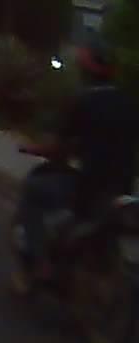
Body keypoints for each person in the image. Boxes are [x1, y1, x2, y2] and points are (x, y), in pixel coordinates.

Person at [15, 34, 139, 285]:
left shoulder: (84, 101)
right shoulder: (128, 103)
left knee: (32, 189)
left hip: (87, 188)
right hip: (121, 189)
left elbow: (59, 148)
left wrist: (32, 148)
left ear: (90, 67)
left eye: (84, 60)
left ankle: (40, 264)